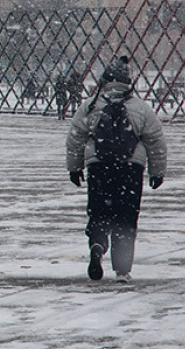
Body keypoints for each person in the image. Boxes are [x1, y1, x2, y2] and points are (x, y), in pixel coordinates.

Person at [66, 56, 167, 283]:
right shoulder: (140, 108)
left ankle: (97, 244)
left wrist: (74, 168)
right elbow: (156, 142)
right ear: (127, 81)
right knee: (126, 217)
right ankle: (122, 269)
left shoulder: (91, 105)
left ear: (105, 80)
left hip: (99, 167)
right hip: (129, 169)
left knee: (99, 211)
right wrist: (157, 172)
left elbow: (75, 138)